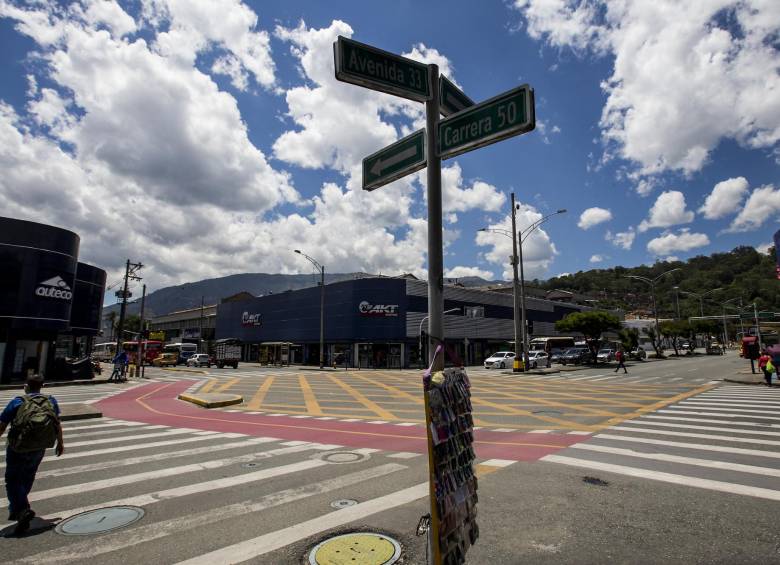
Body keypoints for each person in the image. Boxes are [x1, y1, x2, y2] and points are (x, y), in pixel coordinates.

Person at [0, 374, 64, 535]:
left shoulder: (18, 401)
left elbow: (2, 424)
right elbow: (57, 422)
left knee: (12, 479)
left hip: (18, 447)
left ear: (26, 386)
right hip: (40, 446)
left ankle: (21, 509)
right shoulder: (51, 400)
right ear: (42, 386)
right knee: (28, 475)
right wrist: (60, 443)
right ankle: (20, 507)